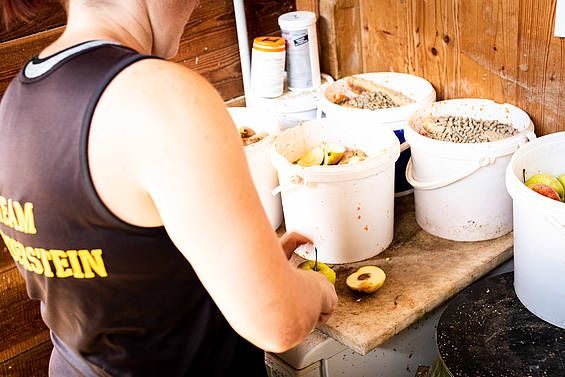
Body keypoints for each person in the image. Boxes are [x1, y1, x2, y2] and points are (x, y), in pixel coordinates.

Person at [0, 0, 338, 376]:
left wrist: (254, 269)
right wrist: (309, 289)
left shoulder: (15, 101)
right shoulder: (163, 97)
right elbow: (279, 321)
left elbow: (111, 269)